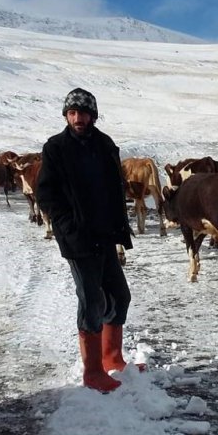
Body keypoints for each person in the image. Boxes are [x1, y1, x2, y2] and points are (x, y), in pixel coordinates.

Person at [35, 87, 135, 393]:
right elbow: (45, 193)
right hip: (78, 240)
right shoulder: (56, 148)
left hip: (105, 235)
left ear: (93, 115)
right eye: (72, 113)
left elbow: (114, 188)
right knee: (91, 300)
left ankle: (112, 358)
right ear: (67, 116)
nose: (78, 118)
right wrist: (68, 226)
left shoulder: (105, 144)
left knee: (119, 296)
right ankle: (92, 371)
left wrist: (119, 225)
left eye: (83, 113)